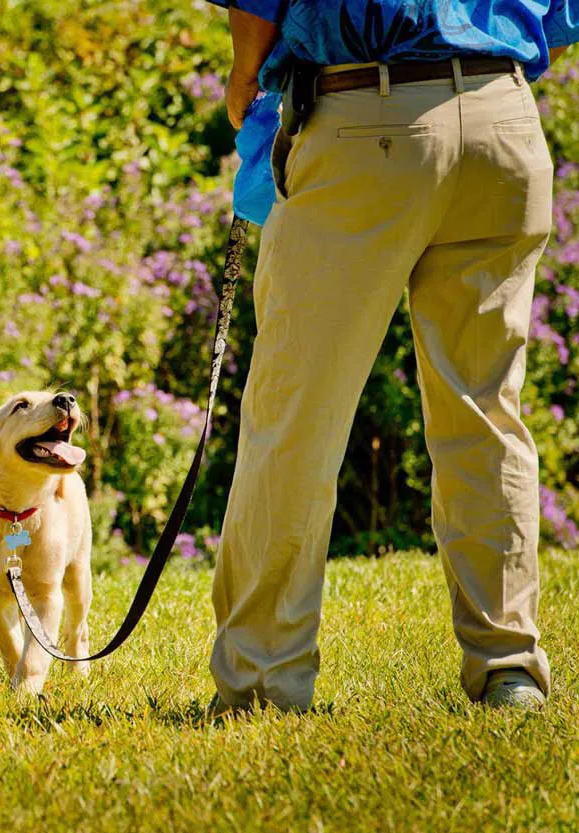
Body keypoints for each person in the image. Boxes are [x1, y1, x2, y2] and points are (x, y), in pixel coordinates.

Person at [205, 1, 578, 714]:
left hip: (365, 118)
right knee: (484, 409)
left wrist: (244, 73)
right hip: (505, 119)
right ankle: (510, 668)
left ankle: (262, 680)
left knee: (297, 414)